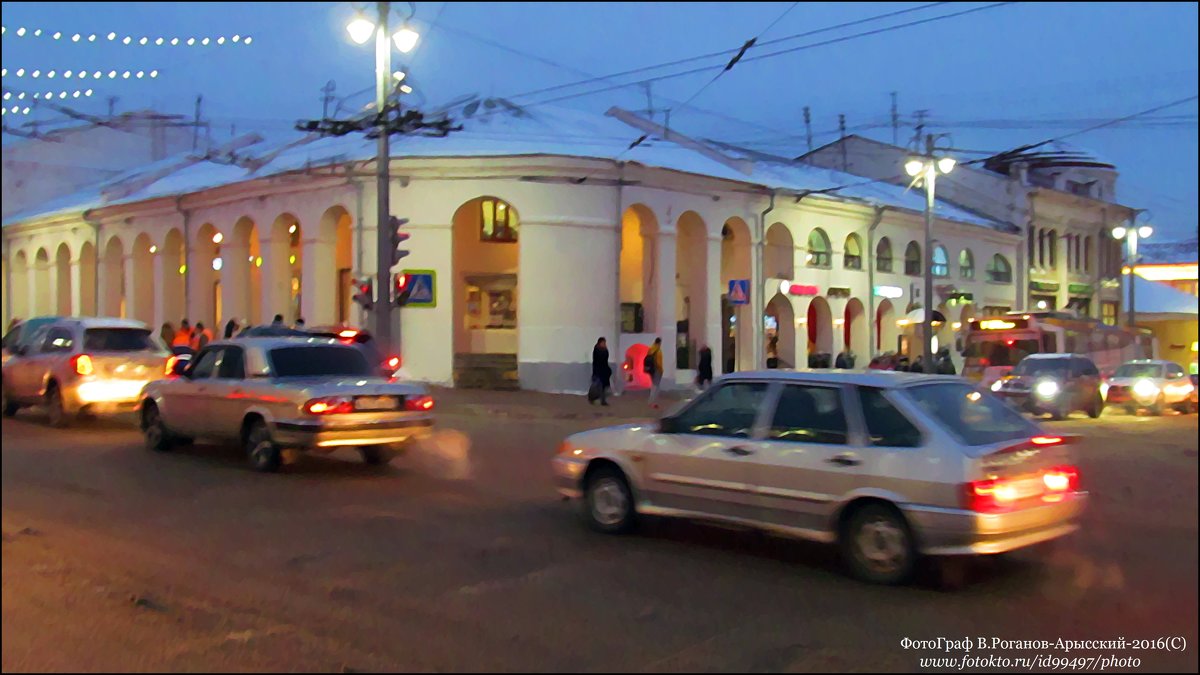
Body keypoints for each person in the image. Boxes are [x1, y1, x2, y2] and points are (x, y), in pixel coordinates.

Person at [590, 337, 612, 406]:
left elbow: (605, 361)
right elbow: (599, 361)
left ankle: (603, 400)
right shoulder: (597, 350)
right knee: (596, 386)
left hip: (604, 372)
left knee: (603, 387)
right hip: (598, 371)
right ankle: (593, 398)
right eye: (603, 343)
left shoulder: (605, 350)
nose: (604, 344)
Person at [646, 337, 664, 408]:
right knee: (656, 387)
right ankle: (653, 402)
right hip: (657, 370)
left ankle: (651, 401)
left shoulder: (650, 349)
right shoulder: (658, 351)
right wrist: (661, 370)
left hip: (651, 370)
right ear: (659, 343)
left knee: (653, 386)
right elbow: (659, 363)